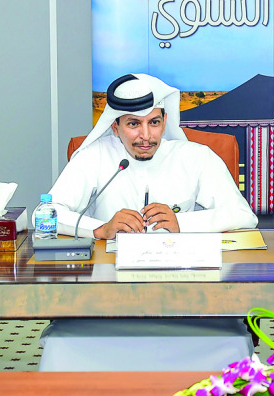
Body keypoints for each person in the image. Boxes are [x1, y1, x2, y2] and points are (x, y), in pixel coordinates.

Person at [39, 73, 258, 372]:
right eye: (133, 124)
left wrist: (182, 223)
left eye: (154, 123)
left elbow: (243, 215)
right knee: (63, 347)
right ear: (115, 127)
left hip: (188, 297)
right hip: (107, 297)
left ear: (165, 121)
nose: (146, 135)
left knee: (230, 345)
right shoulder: (95, 157)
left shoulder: (194, 157)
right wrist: (99, 229)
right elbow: (47, 213)